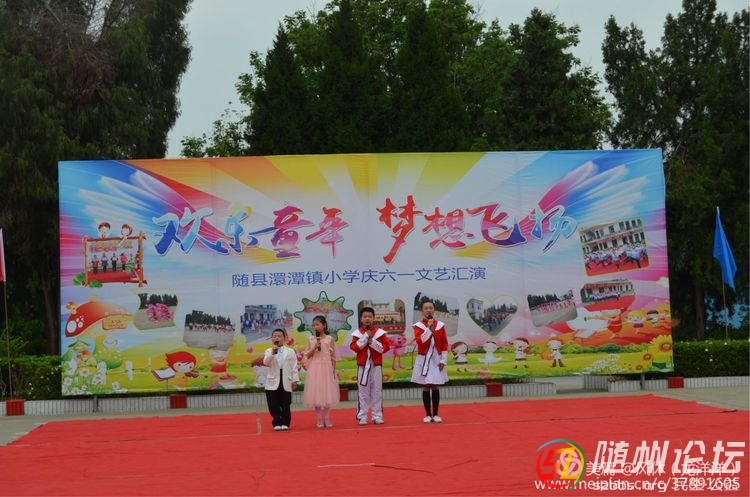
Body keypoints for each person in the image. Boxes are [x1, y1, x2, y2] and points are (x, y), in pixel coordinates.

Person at [350, 307, 390, 425]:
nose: (367, 318)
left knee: (377, 390)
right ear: (361, 319)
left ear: (373, 318)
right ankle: (362, 416)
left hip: (376, 365)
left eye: (370, 316)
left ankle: (377, 415)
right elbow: (354, 347)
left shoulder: (379, 333)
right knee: (363, 391)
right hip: (363, 365)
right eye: (365, 316)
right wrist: (365, 337)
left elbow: (385, 347)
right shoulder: (357, 333)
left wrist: (373, 342)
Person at [411, 300, 449, 423]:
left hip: (436, 358)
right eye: (426, 308)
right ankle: (427, 415)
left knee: (435, 385)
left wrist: (443, 360)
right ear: (422, 311)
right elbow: (420, 341)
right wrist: (428, 328)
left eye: (431, 308)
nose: (428, 310)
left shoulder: (440, 325)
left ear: (434, 310)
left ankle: (436, 414)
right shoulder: (418, 326)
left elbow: (444, 343)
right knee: (426, 385)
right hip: (424, 359)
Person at [302, 315, 339, 428]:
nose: (315, 327)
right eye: (313, 325)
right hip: (315, 368)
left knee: (327, 393)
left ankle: (327, 419)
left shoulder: (329, 339)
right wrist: (314, 347)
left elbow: (333, 357)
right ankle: (319, 419)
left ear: (324, 325)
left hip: (327, 368)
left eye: (317, 324)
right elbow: (307, 356)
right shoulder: (311, 339)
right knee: (316, 393)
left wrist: (333, 371)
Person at [263, 329, 299, 431]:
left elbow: (294, 367)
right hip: (273, 380)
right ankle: (276, 421)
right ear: (272, 339)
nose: (277, 338)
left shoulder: (290, 351)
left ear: (284, 338)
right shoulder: (269, 351)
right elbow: (266, 362)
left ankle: (285, 422)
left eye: (279, 336)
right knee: (273, 402)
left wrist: (295, 380)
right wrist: (273, 353)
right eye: (274, 336)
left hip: (286, 379)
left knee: (285, 402)